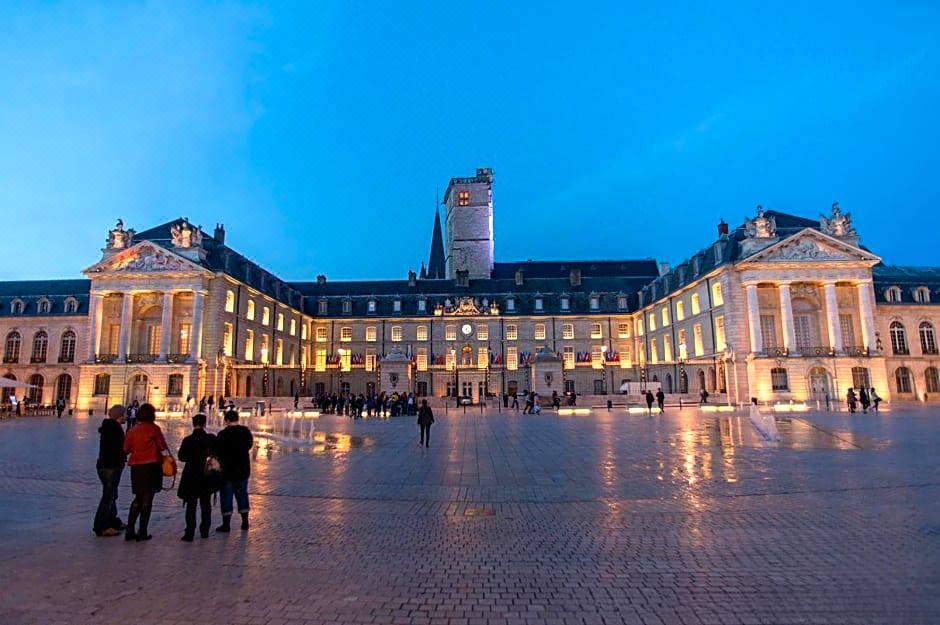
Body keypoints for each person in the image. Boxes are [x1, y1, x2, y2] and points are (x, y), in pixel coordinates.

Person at [122, 403, 169, 541]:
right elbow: (162, 447)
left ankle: (130, 530)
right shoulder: (153, 429)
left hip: (137, 467)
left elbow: (125, 449)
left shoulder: (132, 430)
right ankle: (142, 531)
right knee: (148, 499)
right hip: (152, 466)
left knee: (138, 498)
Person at [177, 413, 217, 541]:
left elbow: (181, 457)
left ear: (193, 424)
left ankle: (189, 532)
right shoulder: (211, 439)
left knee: (191, 505)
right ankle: (204, 530)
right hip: (206, 475)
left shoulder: (188, 440)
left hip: (191, 475)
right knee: (206, 504)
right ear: (205, 424)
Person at [215, 410, 254, 532]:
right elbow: (249, 445)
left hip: (227, 471)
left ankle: (226, 525)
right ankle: (245, 522)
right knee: (242, 494)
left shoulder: (223, 434)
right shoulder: (245, 431)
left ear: (226, 420)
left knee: (226, 496)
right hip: (243, 469)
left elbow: (218, 451)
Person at [93, 405, 127, 537]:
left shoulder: (110, 427)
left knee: (112, 495)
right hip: (110, 467)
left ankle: (113, 521)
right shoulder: (115, 429)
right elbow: (118, 449)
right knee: (108, 497)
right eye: (124, 414)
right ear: (119, 416)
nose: (126, 416)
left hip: (105, 466)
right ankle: (101, 527)